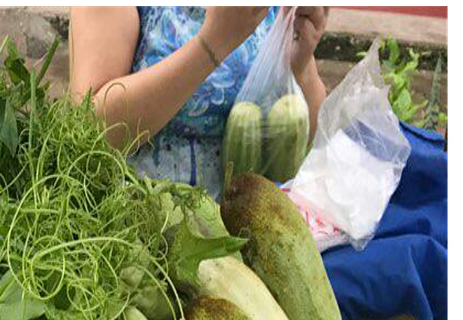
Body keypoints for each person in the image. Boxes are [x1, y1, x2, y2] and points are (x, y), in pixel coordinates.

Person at [69, 5, 330, 197]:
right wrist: (213, 43)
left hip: (252, 238)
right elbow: (90, 129)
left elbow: (310, 139)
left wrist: (300, 67)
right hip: (142, 238)